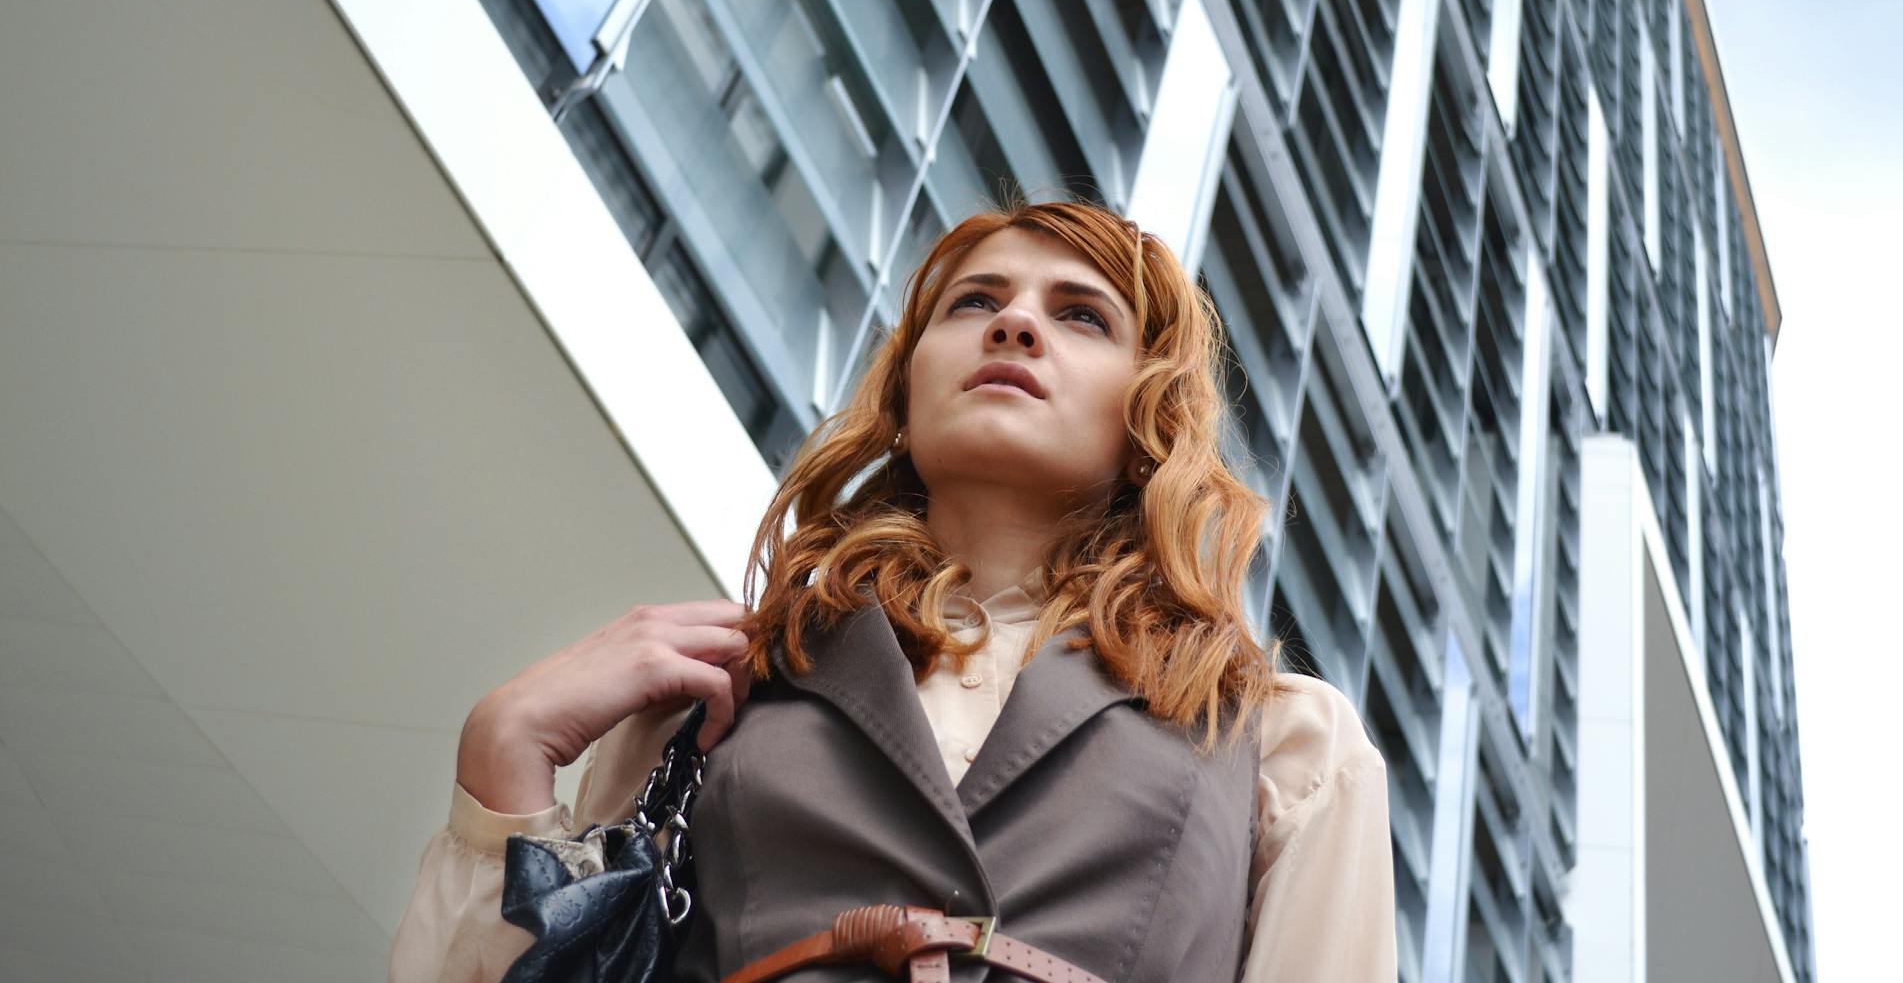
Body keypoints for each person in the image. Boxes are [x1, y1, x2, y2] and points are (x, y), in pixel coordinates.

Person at [391, 200, 1397, 982]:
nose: (1014, 323)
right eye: (974, 301)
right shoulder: (723, 686)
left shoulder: (1285, 741)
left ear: (1149, 422)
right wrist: (503, 765)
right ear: (906, 392)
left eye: (1081, 314)